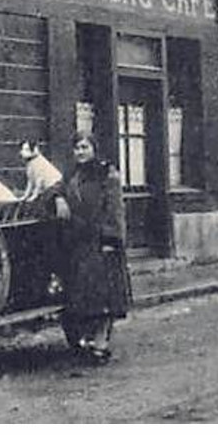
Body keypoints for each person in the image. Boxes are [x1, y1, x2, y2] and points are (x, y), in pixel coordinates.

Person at [56, 131, 130, 362]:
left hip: (100, 243)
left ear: (94, 149)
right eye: (77, 147)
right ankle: (85, 341)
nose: (80, 152)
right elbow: (55, 188)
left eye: (85, 147)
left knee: (102, 300)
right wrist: (58, 197)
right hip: (78, 244)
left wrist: (111, 241)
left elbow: (115, 210)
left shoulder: (107, 174)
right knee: (82, 297)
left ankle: (101, 344)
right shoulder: (71, 174)